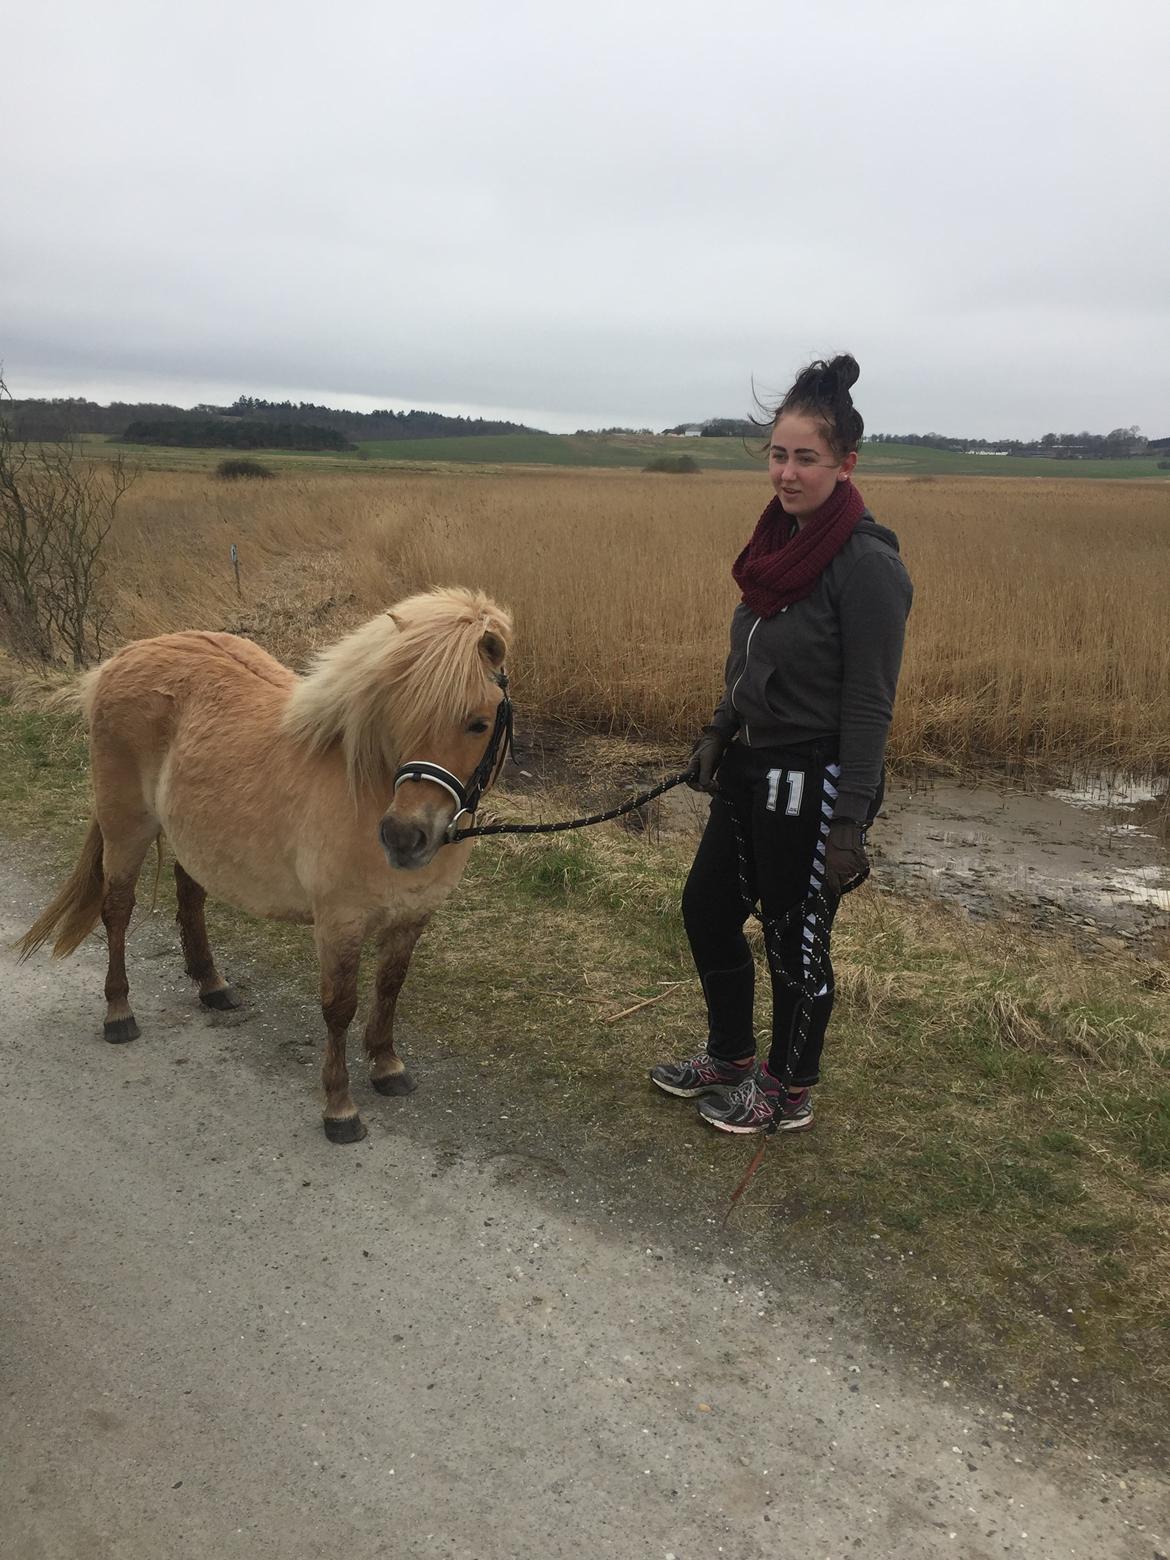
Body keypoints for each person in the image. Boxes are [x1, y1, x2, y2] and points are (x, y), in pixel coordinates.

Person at [651, 355, 912, 1135]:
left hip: (813, 777)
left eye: (806, 458)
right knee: (706, 910)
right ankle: (730, 1055)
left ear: (845, 465)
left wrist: (848, 824)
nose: (788, 473)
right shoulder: (774, 547)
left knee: (795, 942)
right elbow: (753, 661)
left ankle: (788, 1090)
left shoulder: (867, 567)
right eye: (778, 455)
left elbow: (870, 704)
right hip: (753, 765)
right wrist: (719, 730)